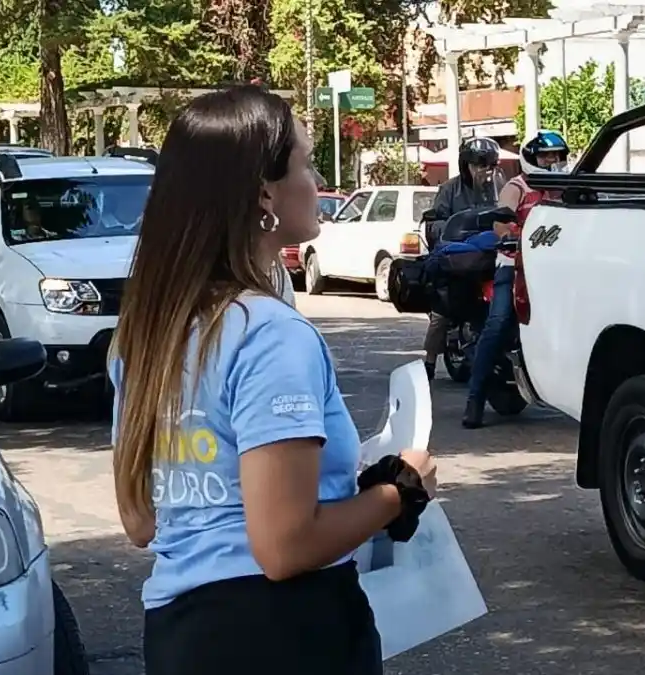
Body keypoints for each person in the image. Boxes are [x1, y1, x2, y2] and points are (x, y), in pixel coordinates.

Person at [108, 85, 438, 675]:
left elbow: (141, 521)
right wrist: (400, 491)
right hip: (286, 633)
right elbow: (284, 547)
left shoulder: (147, 332)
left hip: (179, 634)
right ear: (265, 192)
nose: (318, 181)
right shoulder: (269, 333)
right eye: (307, 163)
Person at [462, 131, 568, 429]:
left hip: (553, 268)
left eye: (556, 155)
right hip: (514, 265)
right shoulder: (516, 186)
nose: (552, 160)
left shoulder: (563, 189)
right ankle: (475, 399)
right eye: (546, 156)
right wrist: (511, 234)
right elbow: (501, 222)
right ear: (532, 158)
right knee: (497, 324)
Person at [421, 136, 501, 379]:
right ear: (466, 165)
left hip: (489, 257)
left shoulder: (499, 187)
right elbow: (435, 222)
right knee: (441, 314)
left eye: (490, 165)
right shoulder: (450, 189)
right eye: (480, 165)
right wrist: (453, 234)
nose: (486, 171)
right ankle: (429, 362)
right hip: (457, 260)